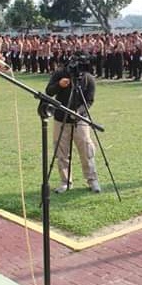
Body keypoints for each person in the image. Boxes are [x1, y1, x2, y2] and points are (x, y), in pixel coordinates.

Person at [45, 55, 101, 194]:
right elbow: (49, 91)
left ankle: (92, 180)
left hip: (80, 119)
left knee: (86, 150)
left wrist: (78, 112)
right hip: (60, 118)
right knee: (61, 151)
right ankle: (65, 182)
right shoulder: (60, 74)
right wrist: (59, 85)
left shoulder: (88, 79)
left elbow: (89, 101)